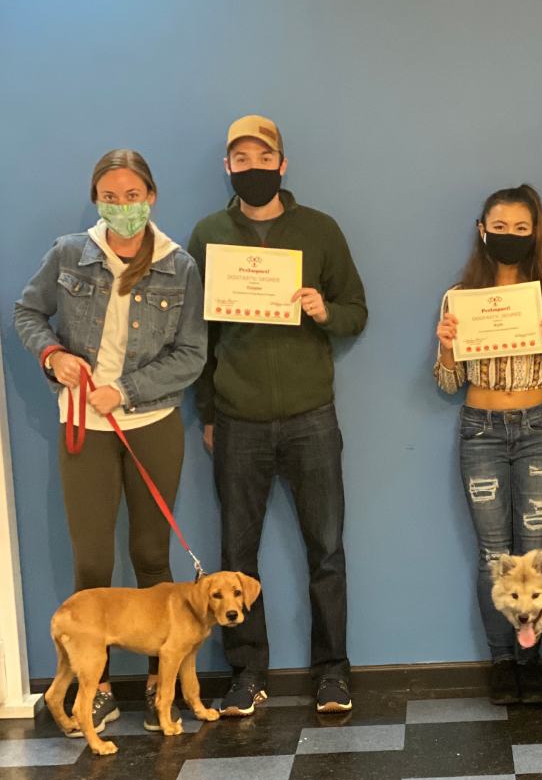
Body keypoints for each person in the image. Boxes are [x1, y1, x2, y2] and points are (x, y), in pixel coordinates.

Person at [14, 149, 206, 735]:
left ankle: (158, 684)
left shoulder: (179, 265)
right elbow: (27, 314)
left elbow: (191, 354)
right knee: (93, 561)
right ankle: (92, 691)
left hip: (153, 423)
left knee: (152, 555)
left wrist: (122, 389)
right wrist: (53, 355)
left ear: (151, 196)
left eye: (132, 195)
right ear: (96, 200)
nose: (122, 206)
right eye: (110, 196)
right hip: (85, 427)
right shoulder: (69, 253)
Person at [190, 116, 368, 716]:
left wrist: (325, 311)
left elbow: (356, 311)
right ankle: (246, 674)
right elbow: (200, 336)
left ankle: (333, 672)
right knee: (236, 558)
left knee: (327, 551)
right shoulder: (209, 234)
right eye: (241, 159)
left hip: (311, 416)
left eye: (264, 158)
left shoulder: (319, 229)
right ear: (228, 167)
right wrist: (208, 413)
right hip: (236, 420)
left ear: (283, 164)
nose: (253, 168)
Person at [435, 184, 542, 705]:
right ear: (482, 231)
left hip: (538, 428)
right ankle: (502, 662)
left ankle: (530, 660)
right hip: (481, 430)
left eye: (521, 228)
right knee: (494, 555)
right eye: (499, 227)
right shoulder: (459, 298)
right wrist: (447, 348)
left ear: (535, 233)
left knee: (534, 555)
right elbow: (447, 383)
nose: (509, 235)